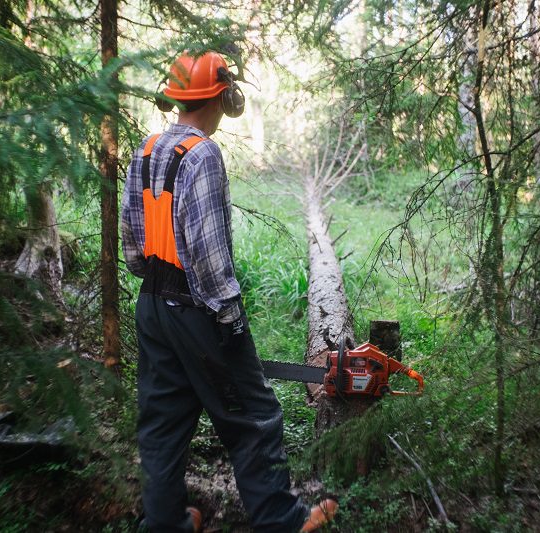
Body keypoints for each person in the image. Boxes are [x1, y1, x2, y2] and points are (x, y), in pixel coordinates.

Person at [121, 51, 337, 533]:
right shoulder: (202, 154)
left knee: (162, 424)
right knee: (254, 415)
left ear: (178, 96)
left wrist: (160, 287)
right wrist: (229, 315)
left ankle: (164, 525)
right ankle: (283, 521)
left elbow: (134, 245)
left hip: (153, 306)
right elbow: (209, 251)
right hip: (198, 310)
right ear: (220, 96)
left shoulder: (146, 149)